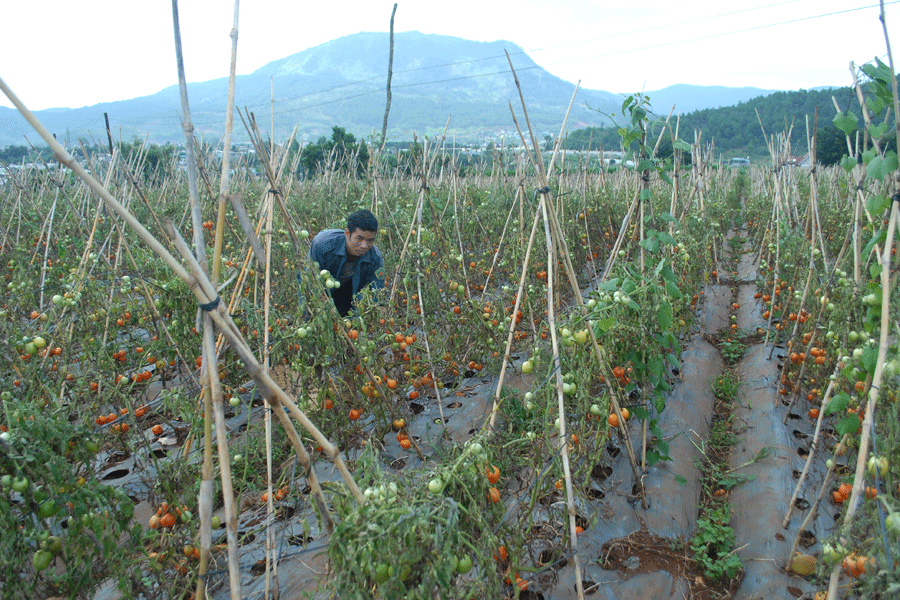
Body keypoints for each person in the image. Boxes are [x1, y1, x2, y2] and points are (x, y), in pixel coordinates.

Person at [302, 209, 385, 316]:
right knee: (310, 311)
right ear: (347, 233)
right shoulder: (323, 245)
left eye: (370, 240)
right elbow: (311, 281)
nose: (364, 246)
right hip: (325, 287)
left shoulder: (375, 258)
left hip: (349, 289)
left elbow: (377, 292)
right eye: (359, 239)